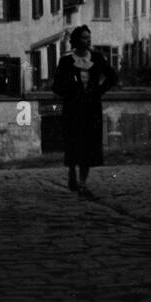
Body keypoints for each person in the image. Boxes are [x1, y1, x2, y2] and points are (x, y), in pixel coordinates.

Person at [52, 26, 118, 197]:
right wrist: (72, 93)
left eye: (89, 37)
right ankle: (72, 172)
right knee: (74, 144)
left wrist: (99, 91)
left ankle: (82, 183)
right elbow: (57, 86)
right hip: (73, 109)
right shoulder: (66, 61)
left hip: (91, 109)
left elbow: (112, 77)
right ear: (76, 40)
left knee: (88, 146)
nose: (87, 41)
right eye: (83, 38)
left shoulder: (96, 58)